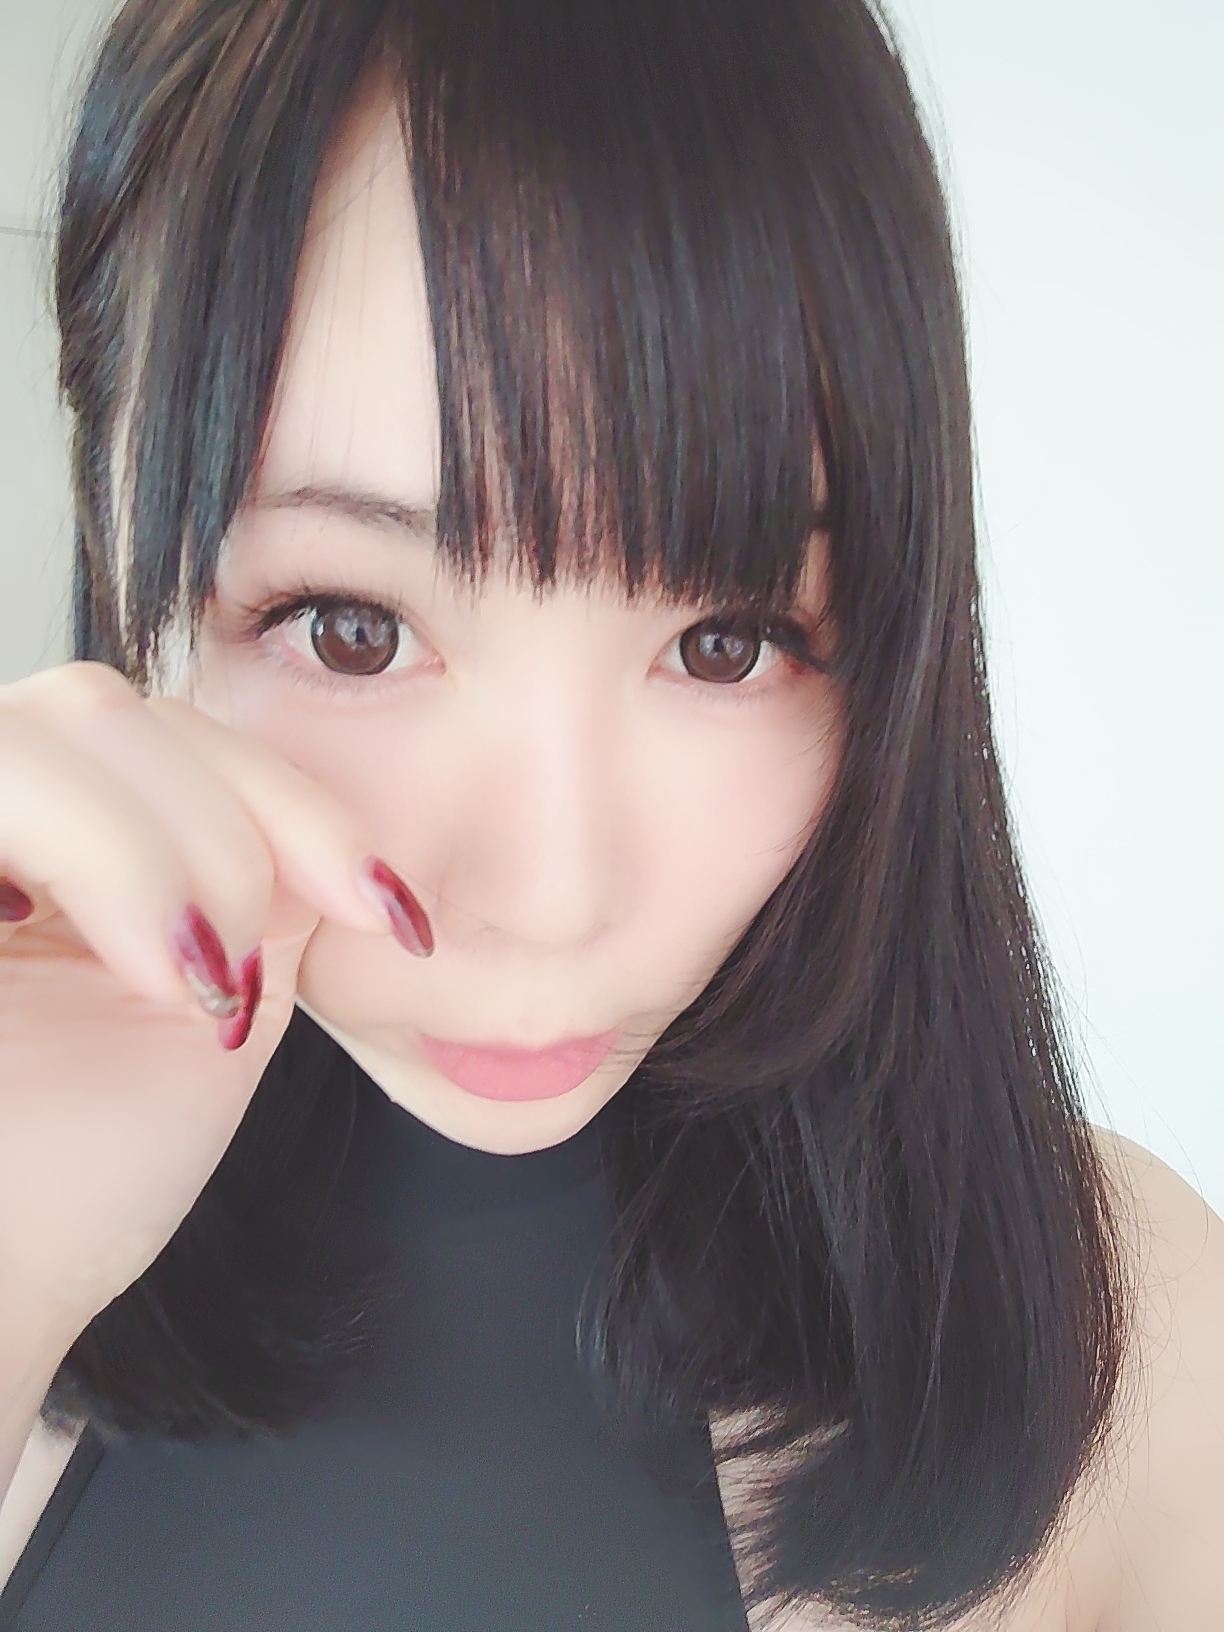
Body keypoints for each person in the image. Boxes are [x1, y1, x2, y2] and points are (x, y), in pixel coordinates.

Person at [0, 0, 1221, 1627]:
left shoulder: (1122, 1337)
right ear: (115, 532)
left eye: (726, 645)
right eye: (352, 630)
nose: (552, 896)